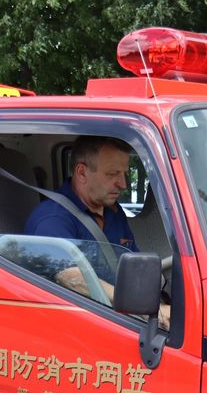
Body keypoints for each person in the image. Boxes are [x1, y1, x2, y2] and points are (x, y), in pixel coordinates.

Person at [25, 135, 169, 328]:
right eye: (112, 174)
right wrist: (143, 308)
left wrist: (159, 303)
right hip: (80, 325)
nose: (123, 184)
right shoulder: (52, 218)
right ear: (82, 173)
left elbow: (134, 263)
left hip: (121, 319)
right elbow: (69, 276)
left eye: (124, 173)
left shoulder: (113, 211)